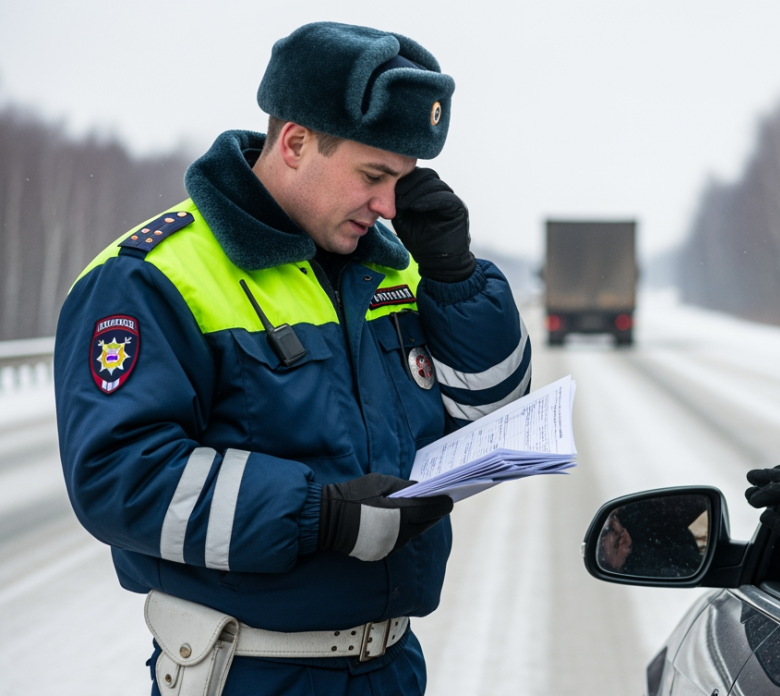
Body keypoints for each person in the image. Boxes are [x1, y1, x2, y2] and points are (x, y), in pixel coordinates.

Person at [53, 22, 531, 696]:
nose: (390, 205)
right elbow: (116, 477)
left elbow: (495, 411)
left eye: (403, 179)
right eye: (374, 174)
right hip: (247, 671)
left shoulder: (388, 271)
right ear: (296, 143)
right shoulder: (151, 278)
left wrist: (454, 276)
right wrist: (320, 515)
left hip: (393, 669)